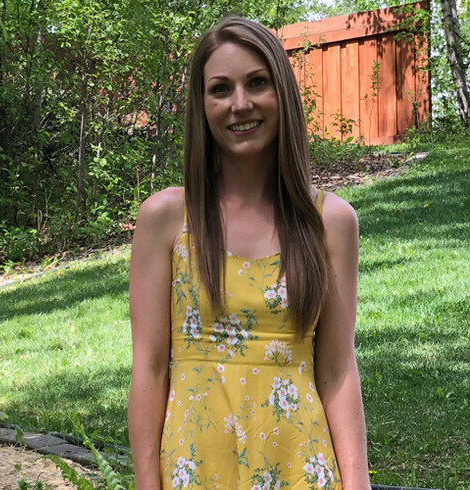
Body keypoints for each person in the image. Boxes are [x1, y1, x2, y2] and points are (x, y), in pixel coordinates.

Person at [126, 15, 371, 490]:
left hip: (300, 465)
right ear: (202, 106)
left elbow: (338, 370)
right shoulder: (167, 219)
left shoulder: (330, 223)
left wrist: (357, 484)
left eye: (257, 83)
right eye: (220, 89)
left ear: (282, 92)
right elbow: (150, 368)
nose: (240, 104)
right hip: (195, 466)